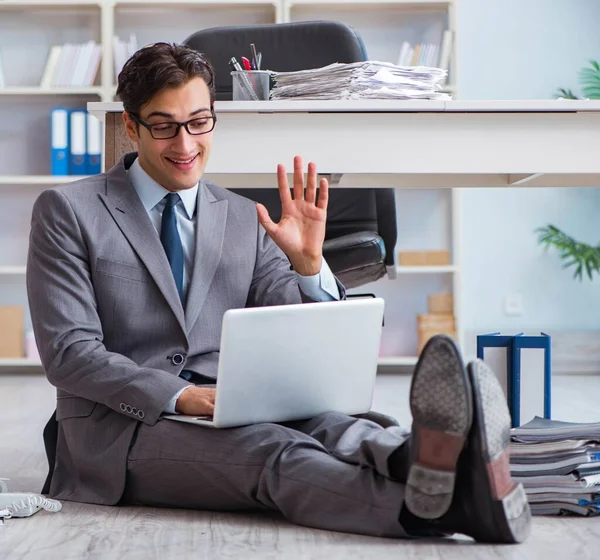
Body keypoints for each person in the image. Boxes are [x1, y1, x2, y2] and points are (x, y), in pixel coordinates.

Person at [26, 42, 531, 543]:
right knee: (272, 451)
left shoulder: (245, 218)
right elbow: (71, 354)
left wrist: (310, 265)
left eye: (199, 122)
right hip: (125, 430)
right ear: (131, 126)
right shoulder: (70, 211)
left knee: (342, 425)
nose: (185, 145)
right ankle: (443, 509)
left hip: (237, 398)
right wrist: (183, 397)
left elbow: (302, 337)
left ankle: (424, 459)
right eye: (164, 126)